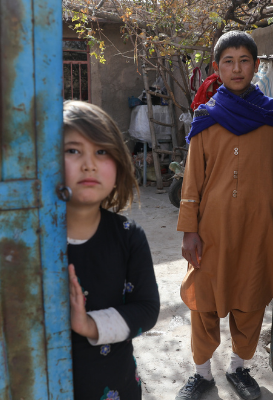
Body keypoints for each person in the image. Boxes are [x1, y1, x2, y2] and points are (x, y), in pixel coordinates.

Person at [175, 31, 273, 400]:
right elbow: (192, 181)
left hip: (258, 227)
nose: (236, 68)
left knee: (251, 297)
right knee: (203, 300)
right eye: (228, 61)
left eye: (244, 61)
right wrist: (189, 230)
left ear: (256, 66)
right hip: (212, 230)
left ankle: (239, 368)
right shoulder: (205, 117)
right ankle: (202, 373)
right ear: (217, 68)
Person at [64, 100, 160, 400]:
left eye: (102, 151)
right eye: (73, 150)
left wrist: (89, 324)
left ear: (119, 166)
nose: (89, 163)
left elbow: (146, 310)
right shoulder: (24, 241)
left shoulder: (129, 237)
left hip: (116, 388)